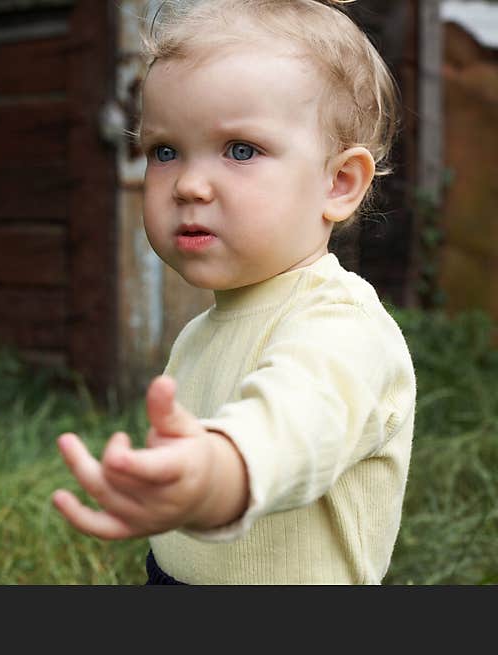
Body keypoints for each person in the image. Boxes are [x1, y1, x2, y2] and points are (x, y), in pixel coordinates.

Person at [52, 0, 416, 584]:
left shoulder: (342, 324)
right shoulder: (202, 330)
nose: (190, 185)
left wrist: (219, 473)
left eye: (240, 150)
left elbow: (299, 422)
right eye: (165, 151)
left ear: (339, 183)